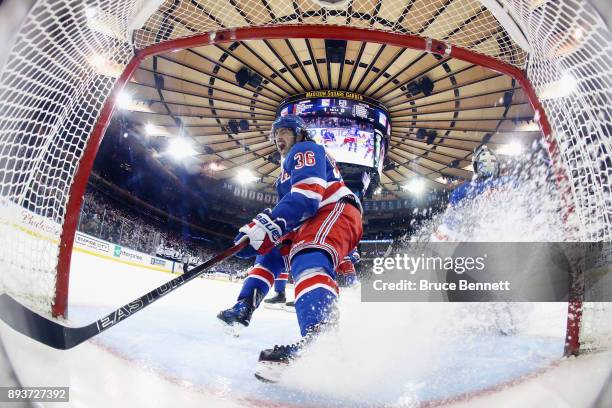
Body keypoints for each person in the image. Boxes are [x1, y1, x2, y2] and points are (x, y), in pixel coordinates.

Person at [217, 114, 363, 373]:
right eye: (275, 135)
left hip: (333, 210)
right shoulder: (284, 174)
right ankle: (244, 306)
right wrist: (264, 233)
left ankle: (322, 340)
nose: (278, 138)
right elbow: (293, 212)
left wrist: (270, 223)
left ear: (299, 134)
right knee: (271, 252)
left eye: (284, 131)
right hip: (312, 218)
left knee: (307, 255)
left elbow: (307, 198)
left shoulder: (305, 149)